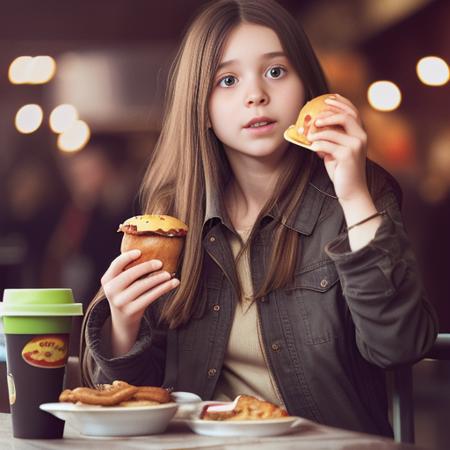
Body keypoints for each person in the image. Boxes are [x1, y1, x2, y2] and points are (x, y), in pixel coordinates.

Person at [80, 0, 438, 437]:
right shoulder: (174, 215)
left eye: (275, 71)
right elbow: (137, 398)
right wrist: (123, 322)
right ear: (202, 107)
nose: (256, 95)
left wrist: (354, 193)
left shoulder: (361, 192)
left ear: (306, 84)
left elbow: (399, 345)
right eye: (227, 80)